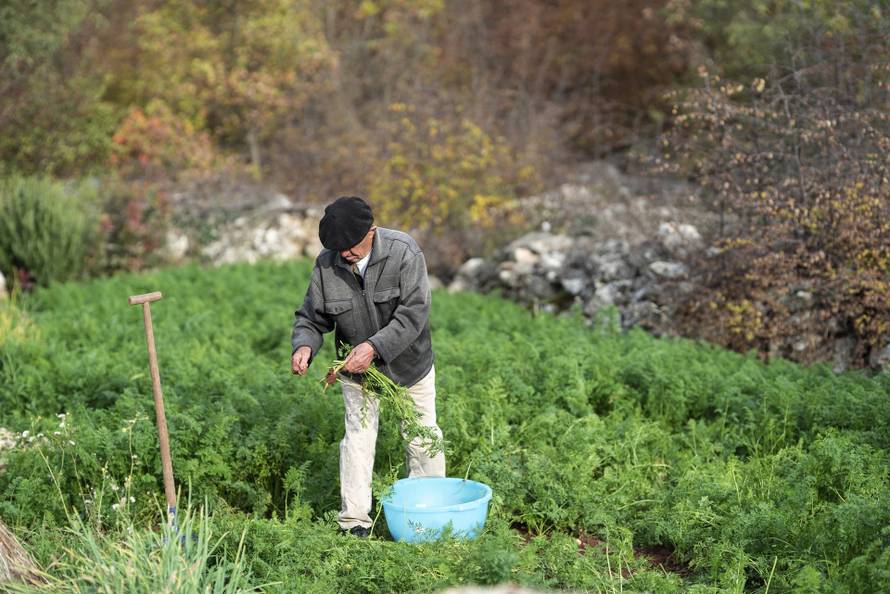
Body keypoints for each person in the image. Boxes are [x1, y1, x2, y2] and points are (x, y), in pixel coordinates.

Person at [290, 195, 446, 537]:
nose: (344, 254)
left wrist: (375, 347)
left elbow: (414, 312)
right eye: (337, 248)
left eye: (350, 246)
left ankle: (428, 516)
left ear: (372, 232)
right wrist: (304, 344)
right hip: (355, 371)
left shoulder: (404, 252)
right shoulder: (326, 265)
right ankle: (354, 523)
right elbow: (311, 317)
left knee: (422, 438)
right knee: (357, 441)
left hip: (410, 365)